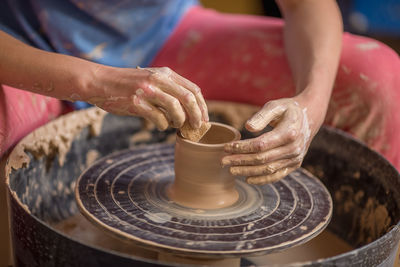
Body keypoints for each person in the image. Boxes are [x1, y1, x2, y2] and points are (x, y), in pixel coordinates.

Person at [0, 0, 399, 186]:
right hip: (25, 47)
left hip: (162, 35)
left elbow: (302, 4)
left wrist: (312, 105)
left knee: (375, 82)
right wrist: (92, 82)